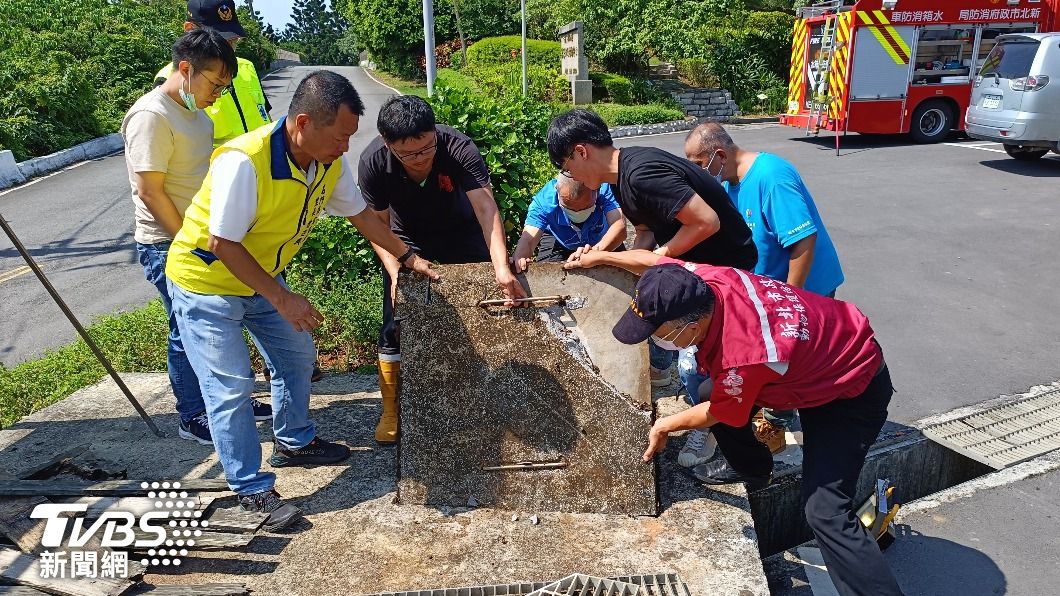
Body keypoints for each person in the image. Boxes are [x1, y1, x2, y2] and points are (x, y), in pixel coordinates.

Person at [165, 71, 438, 530]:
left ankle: (293, 441)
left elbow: (363, 218)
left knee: (296, 356)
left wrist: (407, 257)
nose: (346, 147)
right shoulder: (245, 161)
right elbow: (223, 244)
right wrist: (284, 298)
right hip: (207, 284)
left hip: (260, 279)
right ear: (304, 123)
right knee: (230, 387)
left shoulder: (326, 162)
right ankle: (250, 490)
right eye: (341, 136)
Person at [566, 248, 903, 596]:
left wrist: (664, 425)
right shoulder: (707, 284)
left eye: (657, 331)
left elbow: (722, 412)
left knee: (826, 512)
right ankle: (757, 469)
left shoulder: (744, 353)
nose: (655, 338)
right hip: (817, 361)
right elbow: (655, 263)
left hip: (851, 389)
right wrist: (603, 256)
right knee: (712, 387)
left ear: (692, 327)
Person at [122, 29, 271, 445]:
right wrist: (188, 240)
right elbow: (150, 191)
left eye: (225, 87)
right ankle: (192, 414)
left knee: (223, 320)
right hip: (167, 243)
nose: (218, 95)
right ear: (186, 69)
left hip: (201, 237)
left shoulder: (198, 114)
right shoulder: (152, 115)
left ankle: (227, 401)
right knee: (185, 328)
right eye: (215, 84)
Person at [546, 108, 757, 391]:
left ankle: (729, 423)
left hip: (728, 272)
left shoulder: (642, 173)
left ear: (581, 152)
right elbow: (646, 230)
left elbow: (707, 222)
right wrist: (629, 263)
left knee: (720, 365)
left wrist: (657, 259)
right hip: (704, 269)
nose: (572, 176)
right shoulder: (620, 178)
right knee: (704, 365)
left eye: (566, 167)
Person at [358, 95, 526, 444]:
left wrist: (500, 267)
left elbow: (486, 208)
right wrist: (395, 271)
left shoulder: (458, 147)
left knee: (489, 309)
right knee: (394, 320)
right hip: (406, 242)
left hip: (462, 232)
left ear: (434, 133)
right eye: (409, 154)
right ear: (389, 146)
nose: (421, 160)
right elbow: (378, 226)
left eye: (427, 148)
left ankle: (490, 394)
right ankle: (392, 408)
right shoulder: (373, 162)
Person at [681, 122, 846, 454]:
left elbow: (802, 241)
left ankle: (774, 426)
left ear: (719, 154)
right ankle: (770, 414)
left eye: (698, 165)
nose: (696, 173)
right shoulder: (731, 185)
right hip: (770, 293)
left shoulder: (772, 176)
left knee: (789, 359)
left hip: (804, 291)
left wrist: (791, 302)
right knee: (771, 363)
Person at [154, 0, 272, 147]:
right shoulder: (170, 81)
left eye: (233, 41)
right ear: (190, 29)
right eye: (220, 40)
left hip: (264, 164)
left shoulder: (247, 67)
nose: (228, 49)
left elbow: (265, 116)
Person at [510, 175, 625, 271]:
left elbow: (619, 228)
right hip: (559, 239)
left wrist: (596, 253)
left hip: (603, 238)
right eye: (569, 208)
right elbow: (528, 239)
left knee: (624, 274)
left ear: (597, 191)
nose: (577, 212)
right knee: (545, 273)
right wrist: (520, 258)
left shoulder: (605, 188)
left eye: (585, 208)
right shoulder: (545, 200)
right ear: (557, 191)